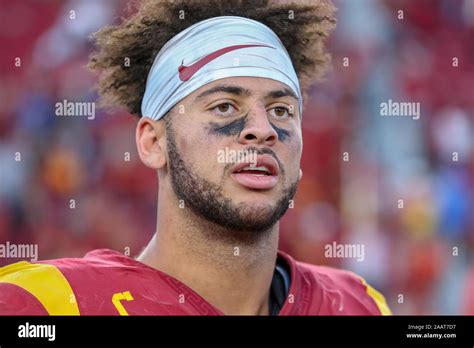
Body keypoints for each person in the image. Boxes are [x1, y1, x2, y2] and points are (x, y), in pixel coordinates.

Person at [0, 0, 391, 315]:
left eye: (282, 110)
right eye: (224, 106)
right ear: (153, 142)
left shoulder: (360, 304)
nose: (263, 129)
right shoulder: (43, 307)